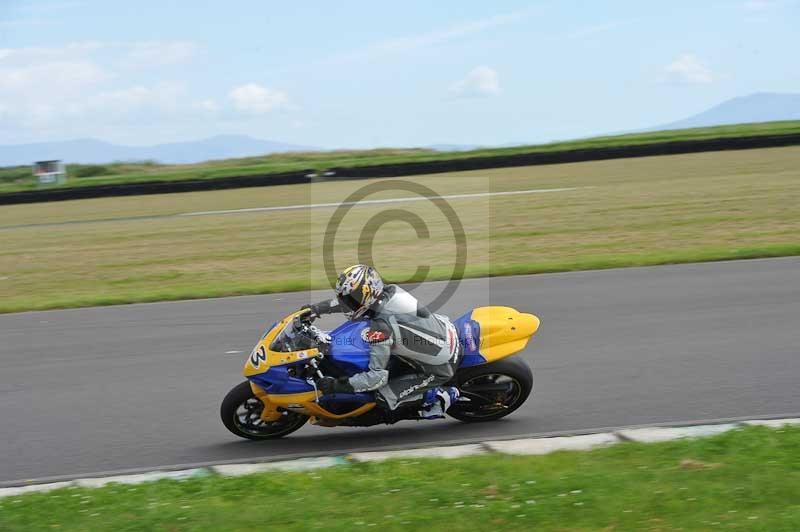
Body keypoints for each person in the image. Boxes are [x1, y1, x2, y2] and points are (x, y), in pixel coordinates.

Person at [302, 264, 460, 419]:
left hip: (439, 367)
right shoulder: (388, 291)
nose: (347, 305)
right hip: (444, 331)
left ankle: (439, 396)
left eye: (350, 300)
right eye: (346, 299)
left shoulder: (381, 326)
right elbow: (351, 305)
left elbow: (377, 378)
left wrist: (337, 386)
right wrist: (317, 309)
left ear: (367, 295)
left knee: (383, 398)